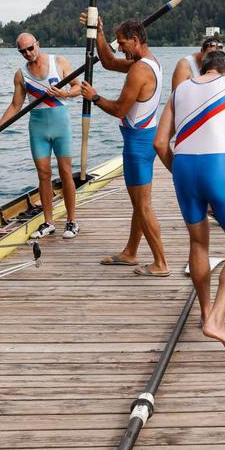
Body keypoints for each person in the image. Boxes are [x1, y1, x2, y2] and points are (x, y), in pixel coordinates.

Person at [154, 50, 225, 350]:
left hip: (184, 168)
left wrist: (178, 170)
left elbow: (160, 142)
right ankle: (216, 319)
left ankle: (205, 313)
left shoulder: (179, 90)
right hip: (219, 168)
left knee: (198, 243)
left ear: (202, 68)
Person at [78, 14, 169, 277]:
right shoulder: (148, 62)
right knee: (139, 203)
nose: (120, 48)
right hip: (143, 139)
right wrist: (98, 32)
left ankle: (161, 263)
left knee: (143, 206)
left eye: (122, 43)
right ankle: (130, 252)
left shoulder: (140, 69)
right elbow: (107, 62)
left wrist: (93, 97)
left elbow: (119, 110)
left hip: (138, 146)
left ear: (136, 40)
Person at [0, 33, 80, 239]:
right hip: (38, 129)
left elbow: (78, 87)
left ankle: (71, 222)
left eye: (30, 48)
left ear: (38, 45)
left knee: (65, 172)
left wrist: (65, 94)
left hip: (61, 125)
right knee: (44, 175)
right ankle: (49, 222)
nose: (27, 53)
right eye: (22, 51)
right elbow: (15, 105)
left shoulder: (58, 61)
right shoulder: (21, 75)